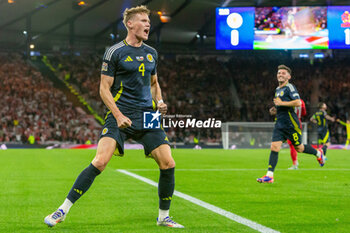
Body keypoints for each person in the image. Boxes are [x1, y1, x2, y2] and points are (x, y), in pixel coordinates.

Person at [44, 5, 184, 228]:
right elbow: (103, 89)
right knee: (100, 161)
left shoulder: (152, 53)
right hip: (120, 114)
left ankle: (163, 216)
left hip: (147, 116)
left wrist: (160, 102)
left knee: (168, 163)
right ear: (130, 24)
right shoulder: (115, 52)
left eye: (149, 21)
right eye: (143, 20)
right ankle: (62, 210)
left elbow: (155, 83)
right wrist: (118, 115)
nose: (148, 24)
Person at [257, 65, 326, 184]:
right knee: (274, 147)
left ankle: (318, 153)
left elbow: (298, 102)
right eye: (279, 73)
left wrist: (281, 103)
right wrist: (275, 109)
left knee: (299, 148)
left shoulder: (290, 87)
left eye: (283, 73)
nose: (280, 74)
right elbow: (281, 105)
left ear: (289, 76)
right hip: (279, 124)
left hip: (291, 125)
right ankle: (270, 176)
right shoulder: (277, 89)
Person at [269, 98, 306, 170]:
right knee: (297, 146)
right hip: (297, 123)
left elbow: (284, 112)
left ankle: (295, 163)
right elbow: (304, 113)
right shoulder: (302, 102)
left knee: (295, 146)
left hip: (289, 123)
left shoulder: (287, 100)